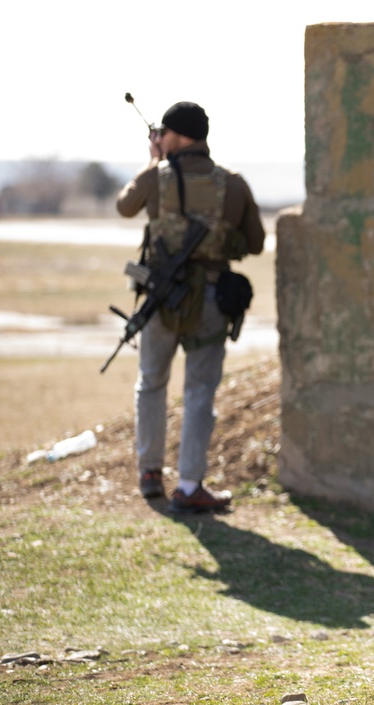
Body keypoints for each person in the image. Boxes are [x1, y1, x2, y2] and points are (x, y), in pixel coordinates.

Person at [116, 101, 265, 513]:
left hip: (162, 300)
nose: (158, 139)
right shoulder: (232, 184)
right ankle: (189, 484)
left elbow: (124, 205)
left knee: (151, 382)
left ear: (177, 137)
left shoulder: (155, 178)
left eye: (162, 133)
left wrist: (153, 164)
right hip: (213, 298)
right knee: (200, 392)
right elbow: (254, 242)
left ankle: (150, 473)